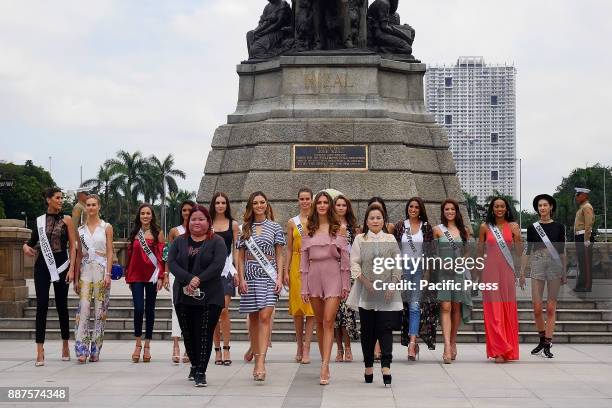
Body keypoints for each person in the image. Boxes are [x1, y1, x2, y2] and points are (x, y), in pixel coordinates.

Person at [168, 205, 226, 387]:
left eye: (201, 219)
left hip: (210, 296)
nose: (197, 222)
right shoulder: (179, 241)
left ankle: (201, 371)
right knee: (189, 334)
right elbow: (172, 263)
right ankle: (194, 364)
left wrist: (199, 279)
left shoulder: (217, 241)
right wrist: (188, 278)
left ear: (208, 222)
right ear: (188, 222)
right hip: (183, 295)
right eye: (193, 219)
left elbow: (217, 265)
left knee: (204, 334)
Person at [346, 204, 402, 386]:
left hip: (387, 291)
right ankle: (368, 365)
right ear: (367, 221)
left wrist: (393, 284)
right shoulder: (360, 240)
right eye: (372, 218)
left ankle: (386, 366)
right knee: (368, 331)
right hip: (366, 290)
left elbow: (397, 263)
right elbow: (354, 263)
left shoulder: (390, 238)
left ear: (383, 220)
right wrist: (365, 282)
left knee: (385, 329)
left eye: (378, 218)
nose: (375, 221)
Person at [23, 187, 77, 366]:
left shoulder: (67, 219)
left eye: (62, 198)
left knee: (62, 306)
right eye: (57, 198)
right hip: (42, 267)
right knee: (42, 306)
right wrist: (25, 247)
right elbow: (30, 243)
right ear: (48, 200)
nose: (61, 200)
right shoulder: (39, 221)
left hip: (62, 265)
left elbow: (73, 247)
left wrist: (71, 270)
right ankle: (40, 350)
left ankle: (65, 344)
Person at [301, 191, 350, 385]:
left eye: (325, 202)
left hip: (333, 277)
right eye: (319, 202)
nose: (322, 205)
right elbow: (304, 262)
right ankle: (324, 360)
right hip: (314, 277)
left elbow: (345, 261)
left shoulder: (340, 228)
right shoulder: (308, 229)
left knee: (329, 321)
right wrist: (304, 287)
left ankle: (324, 365)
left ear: (329, 206)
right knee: (320, 323)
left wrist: (345, 284)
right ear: (315, 206)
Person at [237, 191, 285, 382]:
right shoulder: (245, 229)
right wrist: (241, 278)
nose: (259, 205)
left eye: (262, 202)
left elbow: (280, 254)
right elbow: (240, 257)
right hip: (249, 277)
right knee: (255, 319)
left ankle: (261, 363)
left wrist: (280, 277)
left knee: (265, 316)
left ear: (267, 204)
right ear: (251, 206)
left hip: (269, 276)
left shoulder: (274, 227)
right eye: (255, 203)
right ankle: (257, 357)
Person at [520, 194, 566, 358]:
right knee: (537, 307)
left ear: (551, 207)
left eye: (545, 205)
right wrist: (522, 272)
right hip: (538, 263)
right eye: (540, 205)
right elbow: (527, 250)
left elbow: (562, 251)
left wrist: (564, 271)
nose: (543, 208)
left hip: (554, 265)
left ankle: (547, 342)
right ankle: (541, 338)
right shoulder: (533, 227)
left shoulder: (559, 227)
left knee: (551, 307)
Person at [478, 197, 522, 363]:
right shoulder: (484, 227)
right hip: (490, 272)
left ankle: (508, 348)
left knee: (507, 309)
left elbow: (518, 252)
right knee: (494, 311)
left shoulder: (513, 226)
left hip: (507, 271)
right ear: (492, 208)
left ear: (507, 208)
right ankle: (499, 349)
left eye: (502, 206)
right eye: (496, 206)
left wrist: (517, 237)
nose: (499, 209)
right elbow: (479, 252)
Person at [393, 197, 436, 361]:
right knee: (401, 307)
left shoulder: (426, 227)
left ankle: (412, 343)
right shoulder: (400, 226)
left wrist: (427, 274)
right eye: (411, 206)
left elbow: (430, 252)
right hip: (403, 269)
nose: (413, 209)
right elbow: (395, 249)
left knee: (415, 305)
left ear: (421, 209)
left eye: (416, 207)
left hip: (419, 269)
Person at [74, 194, 113, 363]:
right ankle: (81, 349)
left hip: (101, 270)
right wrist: (75, 278)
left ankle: (95, 349)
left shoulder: (106, 227)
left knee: (99, 311)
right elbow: (77, 255)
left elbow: (110, 251)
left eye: (93, 205)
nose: (90, 207)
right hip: (84, 271)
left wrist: (108, 274)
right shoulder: (80, 230)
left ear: (99, 207)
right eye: (88, 205)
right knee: (83, 309)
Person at [433, 199, 472, 364]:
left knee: (456, 306)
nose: (449, 212)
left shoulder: (464, 230)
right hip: (443, 272)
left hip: (458, 272)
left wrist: (459, 262)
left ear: (456, 211)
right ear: (443, 212)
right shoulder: (437, 230)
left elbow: (467, 253)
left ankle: (453, 340)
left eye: (452, 209)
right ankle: (447, 346)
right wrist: (442, 263)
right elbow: (432, 253)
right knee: (445, 306)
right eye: (446, 209)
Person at [125, 203, 165, 363]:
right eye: (143, 213)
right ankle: (138, 344)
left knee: (150, 310)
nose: (145, 216)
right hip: (136, 276)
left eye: (148, 213)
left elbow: (162, 256)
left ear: (152, 215)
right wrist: (127, 275)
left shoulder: (158, 233)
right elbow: (129, 255)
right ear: (139, 216)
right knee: (138, 309)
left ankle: (147, 344)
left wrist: (162, 276)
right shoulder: (135, 233)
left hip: (152, 276)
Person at [284, 188, 315, 364]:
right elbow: (288, 248)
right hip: (296, 263)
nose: (304, 201)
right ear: (298, 200)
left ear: (311, 200)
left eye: (307, 199)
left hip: (313, 264)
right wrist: (285, 270)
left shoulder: (317, 220)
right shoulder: (292, 222)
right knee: (297, 310)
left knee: (310, 310)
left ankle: (307, 347)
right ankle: (298, 345)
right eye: (302, 198)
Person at [210, 192, 239, 366]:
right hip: (211, 273)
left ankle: (227, 348)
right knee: (213, 312)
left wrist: (236, 271)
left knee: (224, 311)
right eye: (217, 203)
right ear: (213, 205)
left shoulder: (233, 224)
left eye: (223, 203)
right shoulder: (208, 224)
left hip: (228, 271)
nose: (220, 205)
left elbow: (236, 249)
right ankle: (217, 350)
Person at [165, 200, 195, 364]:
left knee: (190, 310)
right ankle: (176, 345)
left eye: (190, 210)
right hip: (176, 274)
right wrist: (165, 273)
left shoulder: (198, 229)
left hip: (192, 275)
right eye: (184, 210)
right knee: (176, 309)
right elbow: (169, 255)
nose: (187, 212)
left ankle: (188, 347)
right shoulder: (175, 231)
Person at [333, 194, 360, 362]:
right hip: (332, 273)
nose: (341, 207)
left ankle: (348, 347)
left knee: (348, 312)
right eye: (338, 205)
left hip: (348, 274)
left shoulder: (353, 228)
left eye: (344, 205)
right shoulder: (329, 227)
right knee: (335, 313)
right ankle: (339, 348)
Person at [573, 187, 595, 292]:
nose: (577, 197)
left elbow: (588, 224)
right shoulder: (582, 207)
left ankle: (587, 286)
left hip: (584, 237)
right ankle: (581, 284)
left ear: (585, 196)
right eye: (577, 195)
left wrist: (587, 239)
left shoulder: (587, 207)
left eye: (579, 195)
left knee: (586, 262)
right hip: (579, 236)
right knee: (582, 262)